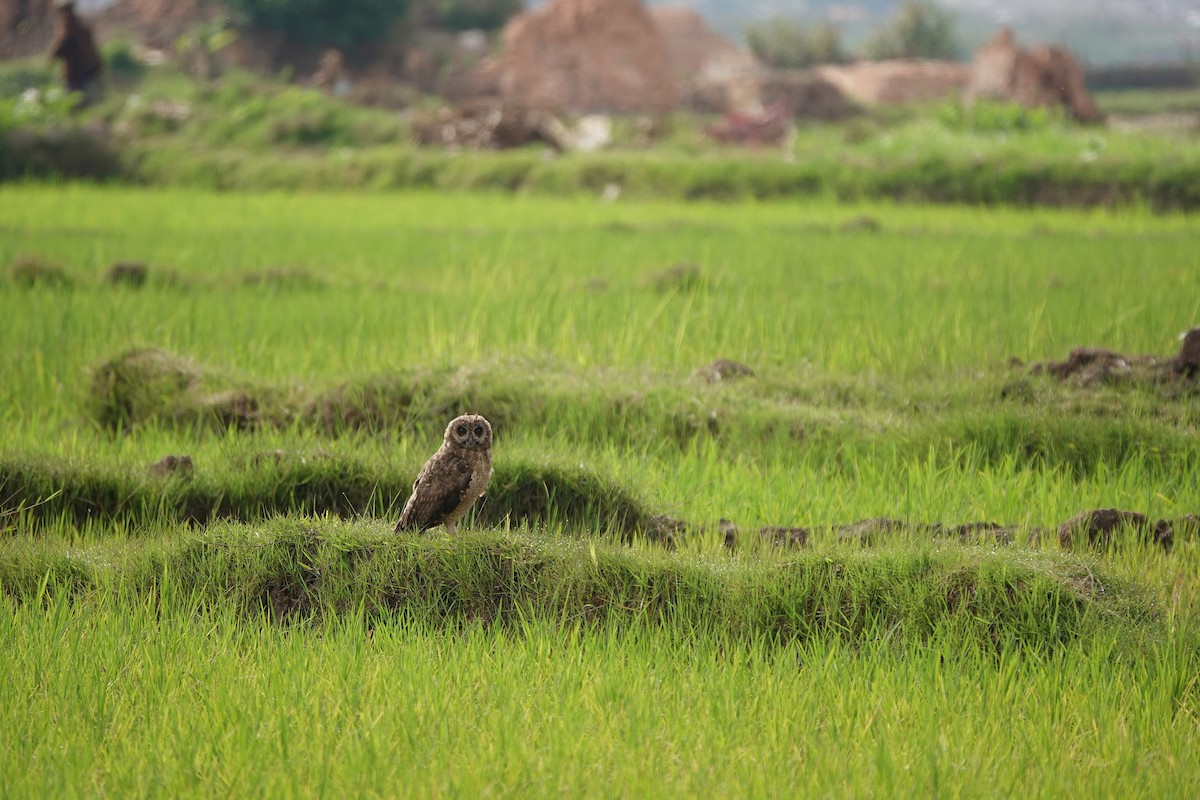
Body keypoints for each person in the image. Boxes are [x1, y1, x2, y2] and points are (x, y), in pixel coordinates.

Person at [48, 0, 103, 107]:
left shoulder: (68, 23)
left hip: (77, 67)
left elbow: (64, 41)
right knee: (82, 91)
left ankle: (80, 111)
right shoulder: (79, 22)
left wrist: (53, 57)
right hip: (87, 65)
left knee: (75, 92)